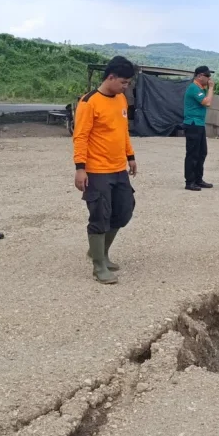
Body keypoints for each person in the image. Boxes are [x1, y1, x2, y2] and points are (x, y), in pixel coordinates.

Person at [73, 56, 139, 285]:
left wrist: (130, 156)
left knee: (124, 209)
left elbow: (123, 132)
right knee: (100, 215)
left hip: (118, 168)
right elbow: (80, 137)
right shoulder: (89, 102)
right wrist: (80, 168)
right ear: (110, 77)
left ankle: (99, 251)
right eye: (123, 82)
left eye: (128, 83)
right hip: (96, 170)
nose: (125, 87)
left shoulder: (120, 99)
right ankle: (99, 265)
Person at [182, 65, 215, 191]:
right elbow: (207, 102)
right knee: (192, 153)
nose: (209, 78)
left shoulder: (200, 88)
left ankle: (198, 179)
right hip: (193, 123)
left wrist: (208, 88)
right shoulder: (194, 88)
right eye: (207, 76)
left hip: (199, 124)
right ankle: (190, 181)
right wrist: (211, 88)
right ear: (199, 76)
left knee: (202, 152)